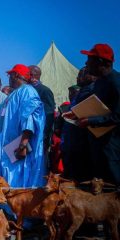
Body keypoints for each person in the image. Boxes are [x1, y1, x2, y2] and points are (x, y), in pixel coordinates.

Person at [65, 44, 120, 185]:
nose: (85, 63)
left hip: (112, 150)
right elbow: (95, 107)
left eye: (89, 59)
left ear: (100, 62)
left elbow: (117, 116)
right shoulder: (99, 83)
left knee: (113, 190)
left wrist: (91, 120)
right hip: (96, 147)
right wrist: (76, 114)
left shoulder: (116, 82)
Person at [0, 64, 45, 188]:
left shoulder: (27, 91)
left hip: (16, 146)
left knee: (18, 177)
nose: (9, 78)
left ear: (16, 75)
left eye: (10, 75)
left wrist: (23, 144)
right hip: (6, 146)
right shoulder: (14, 93)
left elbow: (29, 119)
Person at [29, 65, 55, 163]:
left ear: (34, 76)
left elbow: (49, 114)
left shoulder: (45, 91)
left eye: (28, 74)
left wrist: (44, 135)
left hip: (40, 133)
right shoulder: (26, 89)